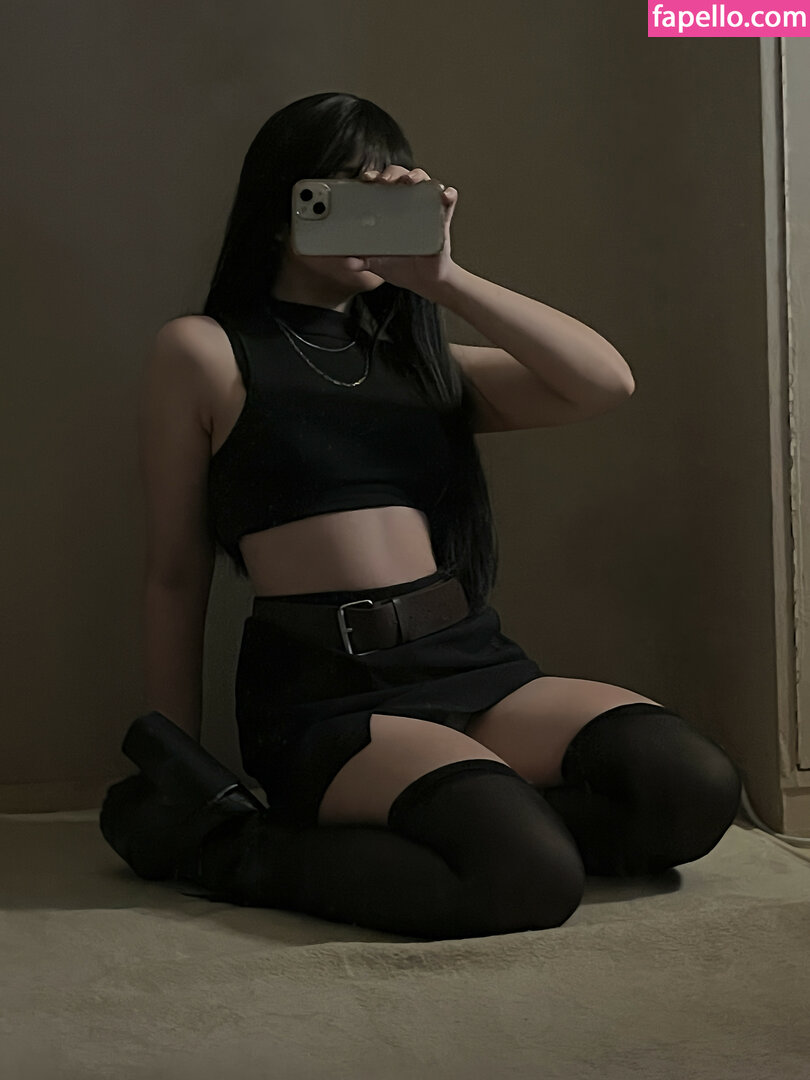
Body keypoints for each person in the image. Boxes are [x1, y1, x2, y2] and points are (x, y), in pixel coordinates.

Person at [100, 92, 743, 940]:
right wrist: (178, 766)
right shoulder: (205, 351)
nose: (371, 214)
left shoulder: (426, 366)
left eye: (390, 193)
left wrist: (442, 279)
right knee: (528, 878)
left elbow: (605, 383)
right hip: (329, 695)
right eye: (346, 191)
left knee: (691, 788)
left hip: (467, 662)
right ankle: (232, 851)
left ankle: (478, 824)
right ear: (284, 206)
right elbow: (175, 574)